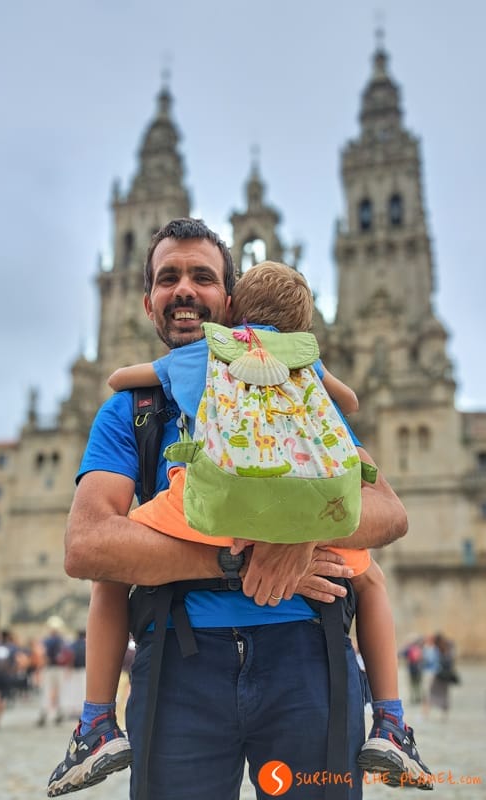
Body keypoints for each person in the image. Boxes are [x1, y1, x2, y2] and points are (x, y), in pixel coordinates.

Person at [60, 218, 409, 800]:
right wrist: (244, 554)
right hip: (179, 667)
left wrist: (297, 537)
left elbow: (389, 511)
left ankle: (94, 722)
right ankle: (395, 722)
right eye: (168, 277)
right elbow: (88, 545)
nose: (185, 290)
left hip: (309, 662)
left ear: (229, 298)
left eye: (203, 276)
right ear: (147, 302)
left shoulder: (296, 388)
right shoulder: (133, 411)